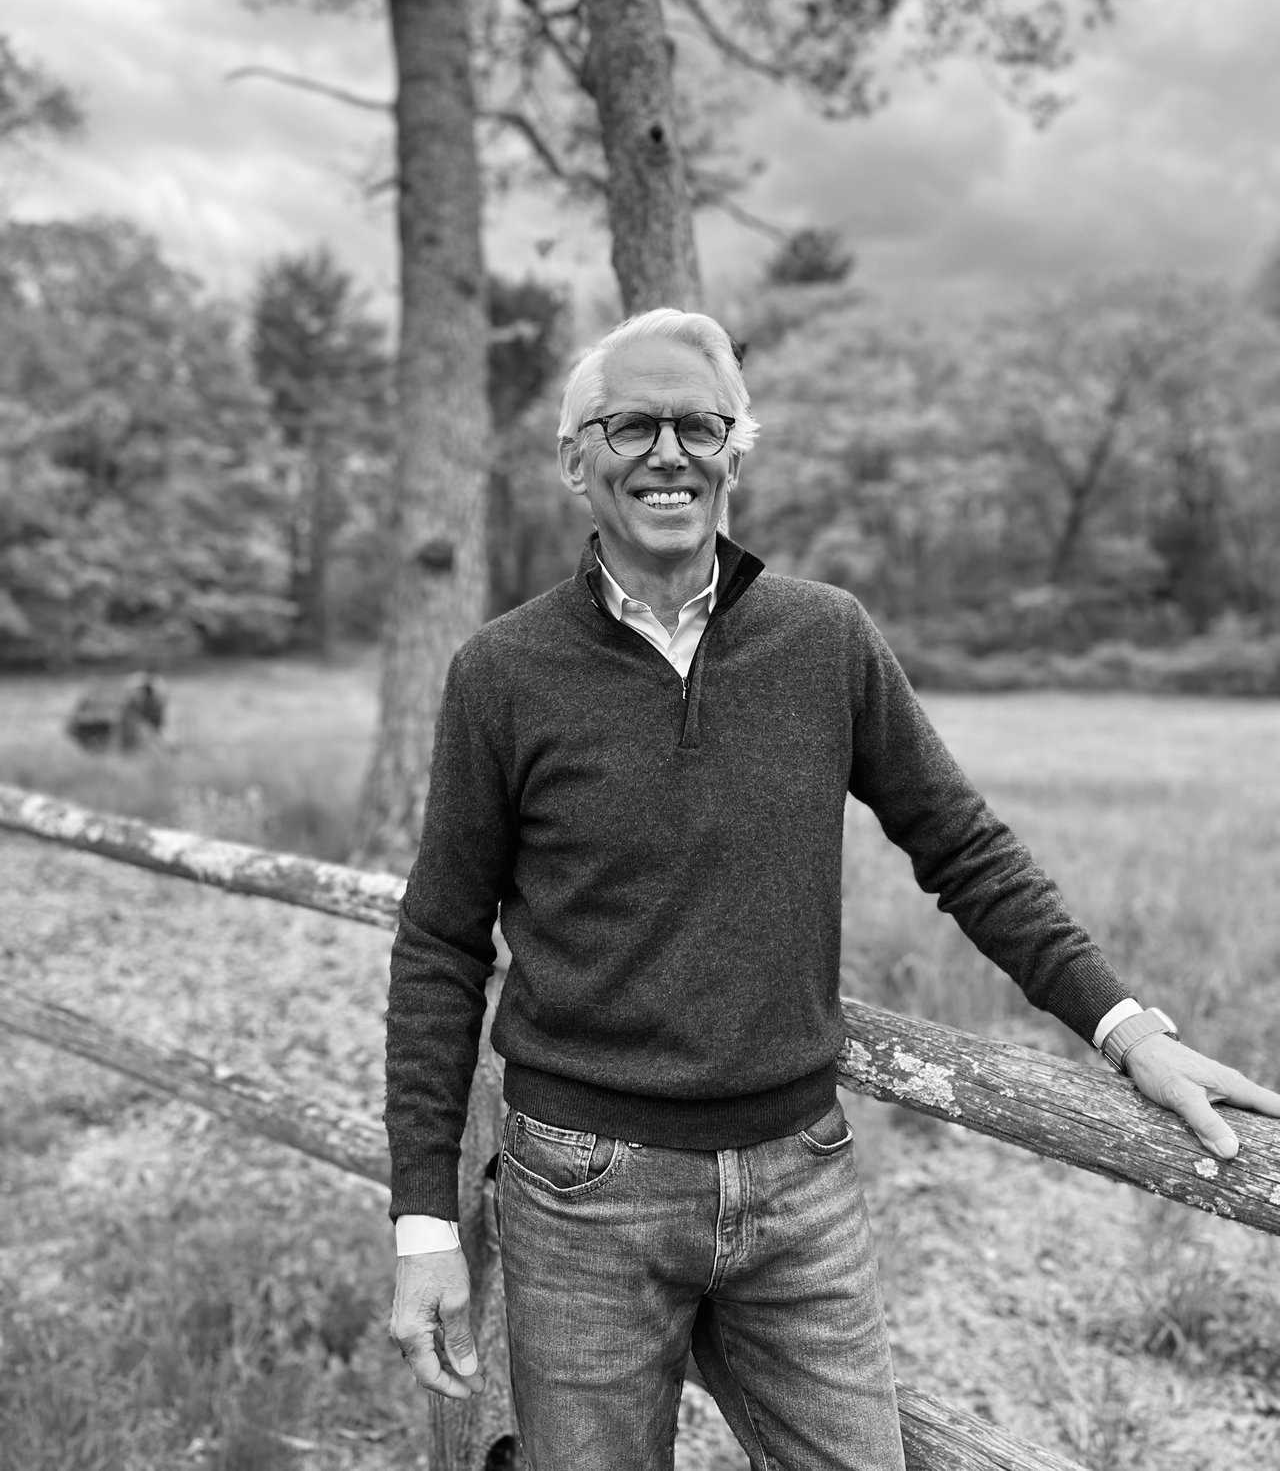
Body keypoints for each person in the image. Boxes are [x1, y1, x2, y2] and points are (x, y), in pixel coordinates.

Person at [385, 308, 1280, 1470]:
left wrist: (1127, 1030)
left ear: (734, 452)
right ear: (575, 461)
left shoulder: (823, 638)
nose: (668, 452)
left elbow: (963, 848)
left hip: (797, 1178)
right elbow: (441, 944)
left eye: (698, 424)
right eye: (630, 425)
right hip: (582, 1189)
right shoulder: (501, 671)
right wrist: (422, 1222)